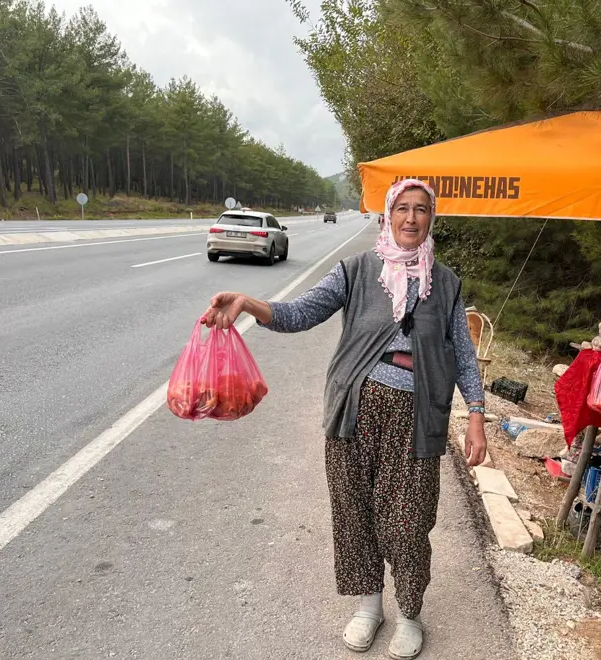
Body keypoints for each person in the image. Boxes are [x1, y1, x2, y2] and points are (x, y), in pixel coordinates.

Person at [202, 179, 487, 660]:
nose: (411, 218)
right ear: (388, 216)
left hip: (418, 417)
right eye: (403, 209)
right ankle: (369, 607)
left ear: (431, 219)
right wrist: (249, 303)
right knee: (355, 513)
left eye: (421, 210)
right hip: (354, 410)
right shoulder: (357, 270)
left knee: (408, 522)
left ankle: (410, 614)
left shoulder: (447, 283)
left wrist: (476, 414)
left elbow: (462, 353)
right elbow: (301, 313)